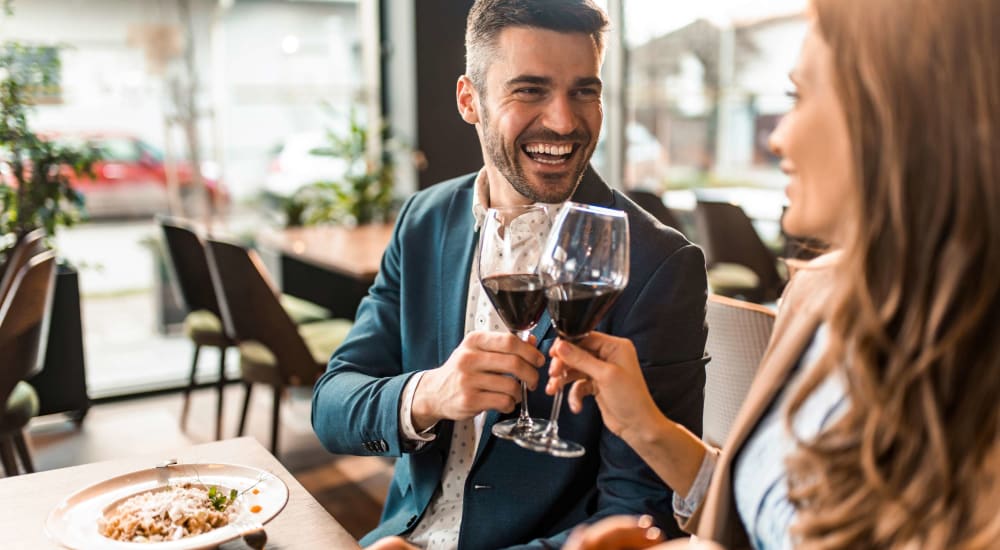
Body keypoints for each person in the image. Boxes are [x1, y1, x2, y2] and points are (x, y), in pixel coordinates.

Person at [548, 0, 1000, 548]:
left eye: (799, 98)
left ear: (900, 116)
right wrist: (643, 425)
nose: (778, 138)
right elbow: (767, 517)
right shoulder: (816, 298)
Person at [311, 0, 710, 548]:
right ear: (469, 100)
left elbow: (639, 518)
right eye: (530, 90)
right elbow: (332, 405)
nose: (564, 121)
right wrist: (430, 393)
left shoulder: (658, 267)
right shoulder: (423, 220)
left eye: (584, 91)